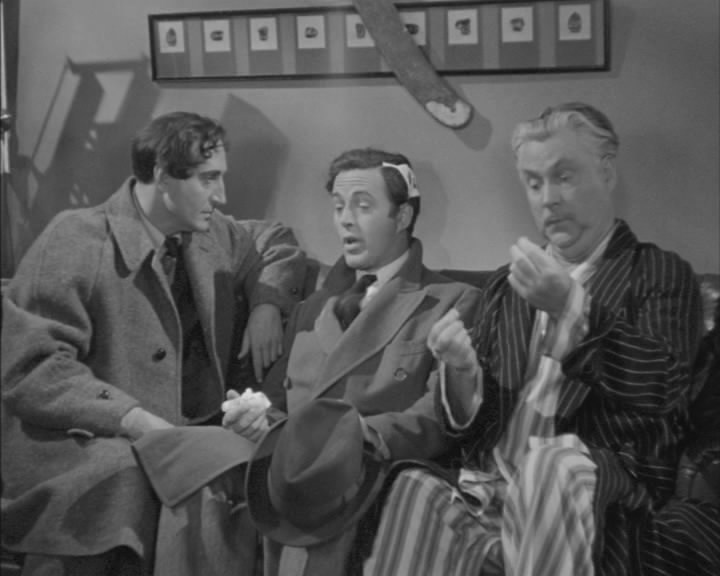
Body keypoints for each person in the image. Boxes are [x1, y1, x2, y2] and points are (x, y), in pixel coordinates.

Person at [362, 102, 719, 576]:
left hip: (599, 493)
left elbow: (664, 387)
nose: (548, 198)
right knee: (414, 487)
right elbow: (470, 421)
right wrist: (462, 374)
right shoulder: (505, 286)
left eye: (564, 177)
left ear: (607, 173)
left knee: (552, 465)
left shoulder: (659, 274)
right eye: (533, 183)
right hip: (492, 489)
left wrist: (573, 309)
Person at [0, 111, 306, 576]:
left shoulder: (212, 234)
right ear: (163, 176)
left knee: (249, 467)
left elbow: (277, 241)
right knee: (127, 483)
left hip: (181, 435)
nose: (221, 195)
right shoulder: (77, 237)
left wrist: (267, 302)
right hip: (76, 440)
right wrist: (135, 419)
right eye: (208, 179)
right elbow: (33, 368)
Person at [213, 147, 480, 576]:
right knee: (196, 471)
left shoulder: (450, 301)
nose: (345, 220)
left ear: (402, 216)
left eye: (363, 206)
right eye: (339, 207)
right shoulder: (312, 308)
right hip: (293, 466)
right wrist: (258, 419)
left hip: (369, 469)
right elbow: (279, 403)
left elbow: (439, 416)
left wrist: (357, 436)